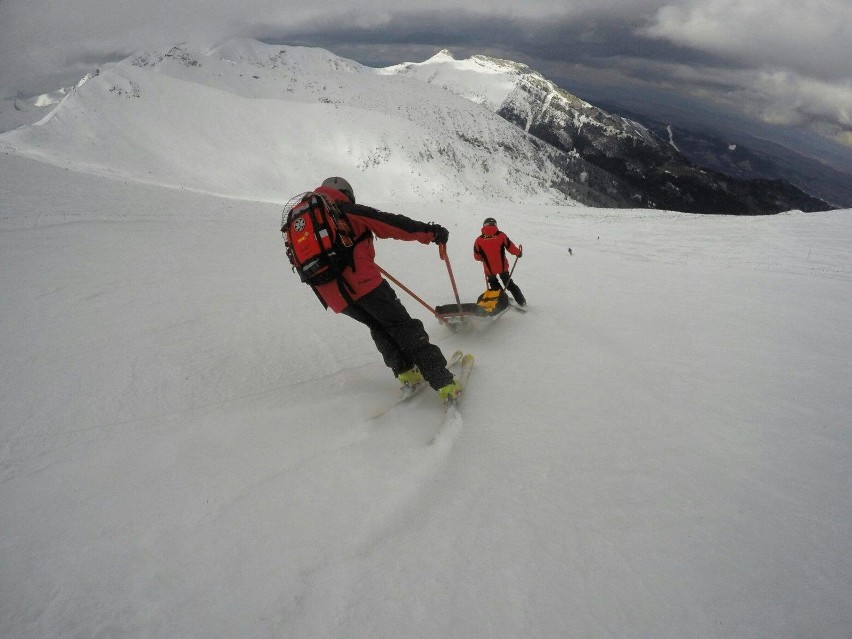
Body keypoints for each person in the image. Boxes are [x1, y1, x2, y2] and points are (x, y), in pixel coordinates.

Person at [292, 177, 461, 402]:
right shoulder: (343, 210)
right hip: (365, 286)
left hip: (334, 297)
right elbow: (391, 224)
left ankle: (407, 373)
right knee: (404, 327)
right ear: (344, 193)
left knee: (379, 327)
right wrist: (431, 233)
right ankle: (445, 383)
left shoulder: (303, 220)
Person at [473, 217, 526, 306]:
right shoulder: (501, 235)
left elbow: (477, 257)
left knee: (494, 286)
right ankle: (522, 302)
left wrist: (484, 258)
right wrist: (518, 253)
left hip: (489, 270)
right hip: (502, 267)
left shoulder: (478, 240)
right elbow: (510, 247)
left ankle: (502, 301)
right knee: (509, 284)